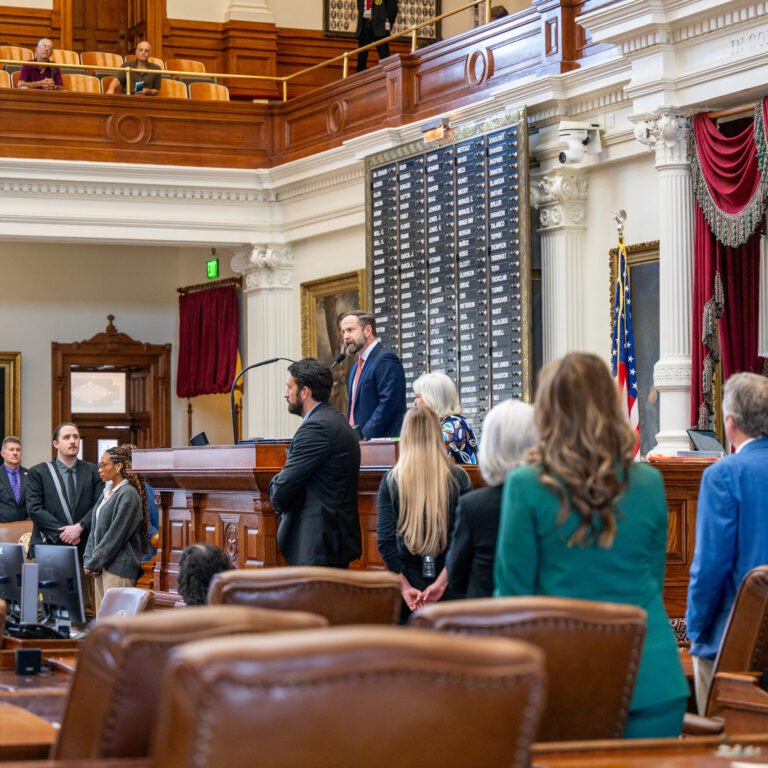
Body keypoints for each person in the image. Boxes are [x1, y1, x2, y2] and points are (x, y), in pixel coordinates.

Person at [494, 353, 688, 738]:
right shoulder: (649, 482)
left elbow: (512, 599)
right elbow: (653, 581)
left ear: (547, 411)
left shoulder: (526, 485)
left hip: (564, 680)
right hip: (651, 677)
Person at [686, 372, 768, 714]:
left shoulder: (723, 475)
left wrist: (695, 629)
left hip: (735, 640)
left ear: (730, 424)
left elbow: (710, 568)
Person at [377, 406, 472, 622]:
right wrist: (440, 584)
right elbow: (464, 540)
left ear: (405, 437)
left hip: (407, 588)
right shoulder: (459, 478)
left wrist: (405, 588)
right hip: (451, 583)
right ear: (438, 436)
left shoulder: (392, 480)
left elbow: (384, 542)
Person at [269, 358, 362, 567]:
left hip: (318, 544)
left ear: (305, 392)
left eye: (289, 387)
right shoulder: (332, 420)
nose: (286, 394)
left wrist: (275, 486)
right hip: (328, 540)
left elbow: (281, 490)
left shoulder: (317, 427)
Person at [445, 399, 536, 598]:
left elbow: (455, 577)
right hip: (537, 618)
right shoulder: (549, 501)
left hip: (482, 617)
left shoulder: (472, 506)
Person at [26, 422, 103, 619]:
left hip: (83, 546)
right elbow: (34, 509)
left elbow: (100, 505)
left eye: (75, 437)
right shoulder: (38, 472)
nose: (72, 441)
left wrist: (80, 527)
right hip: (47, 545)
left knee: (83, 610)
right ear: (55, 444)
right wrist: (65, 533)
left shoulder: (93, 471)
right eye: (67, 437)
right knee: (42, 610)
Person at [83, 445, 148, 615]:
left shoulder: (128, 494)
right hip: (101, 566)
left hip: (119, 568)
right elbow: (94, 528)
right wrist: (88, 558)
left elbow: (115, 536)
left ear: (118, 466)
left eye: (104, 465)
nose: (100, 469)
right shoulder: (108, 492)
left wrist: (94, 561)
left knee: (115, 626)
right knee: (102, 624)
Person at [341, 310, 407, 438]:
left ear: (367, 330)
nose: (345, 336)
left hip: (382, 446)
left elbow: (388, 405)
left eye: (350, 330)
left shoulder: (385, 359)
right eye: (343, 331)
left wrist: (363, 437)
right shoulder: (356, 367)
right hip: (359, 445)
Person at [413, 371, 478, 464]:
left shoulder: (454, 425)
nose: (415, 402)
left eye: (418, 397)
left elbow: (426, 458)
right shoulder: (444, 422)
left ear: (432, 399)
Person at [356, 0, 399, 72]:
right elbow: (360, 6)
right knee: (361, 58)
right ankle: (359, 81)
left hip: (380, 26)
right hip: (364, 25)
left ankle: (390, 78)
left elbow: (393, 8)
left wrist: (388, 24)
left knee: (385, 57)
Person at [0, 436, 29, 522]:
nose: (15, 453)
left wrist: (27, 524)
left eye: (18, 450)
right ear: (2, 453)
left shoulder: (30, 475)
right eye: (11, 449)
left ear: (21, 453)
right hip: (2, 529)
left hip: (26, 529)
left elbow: (35, 504)